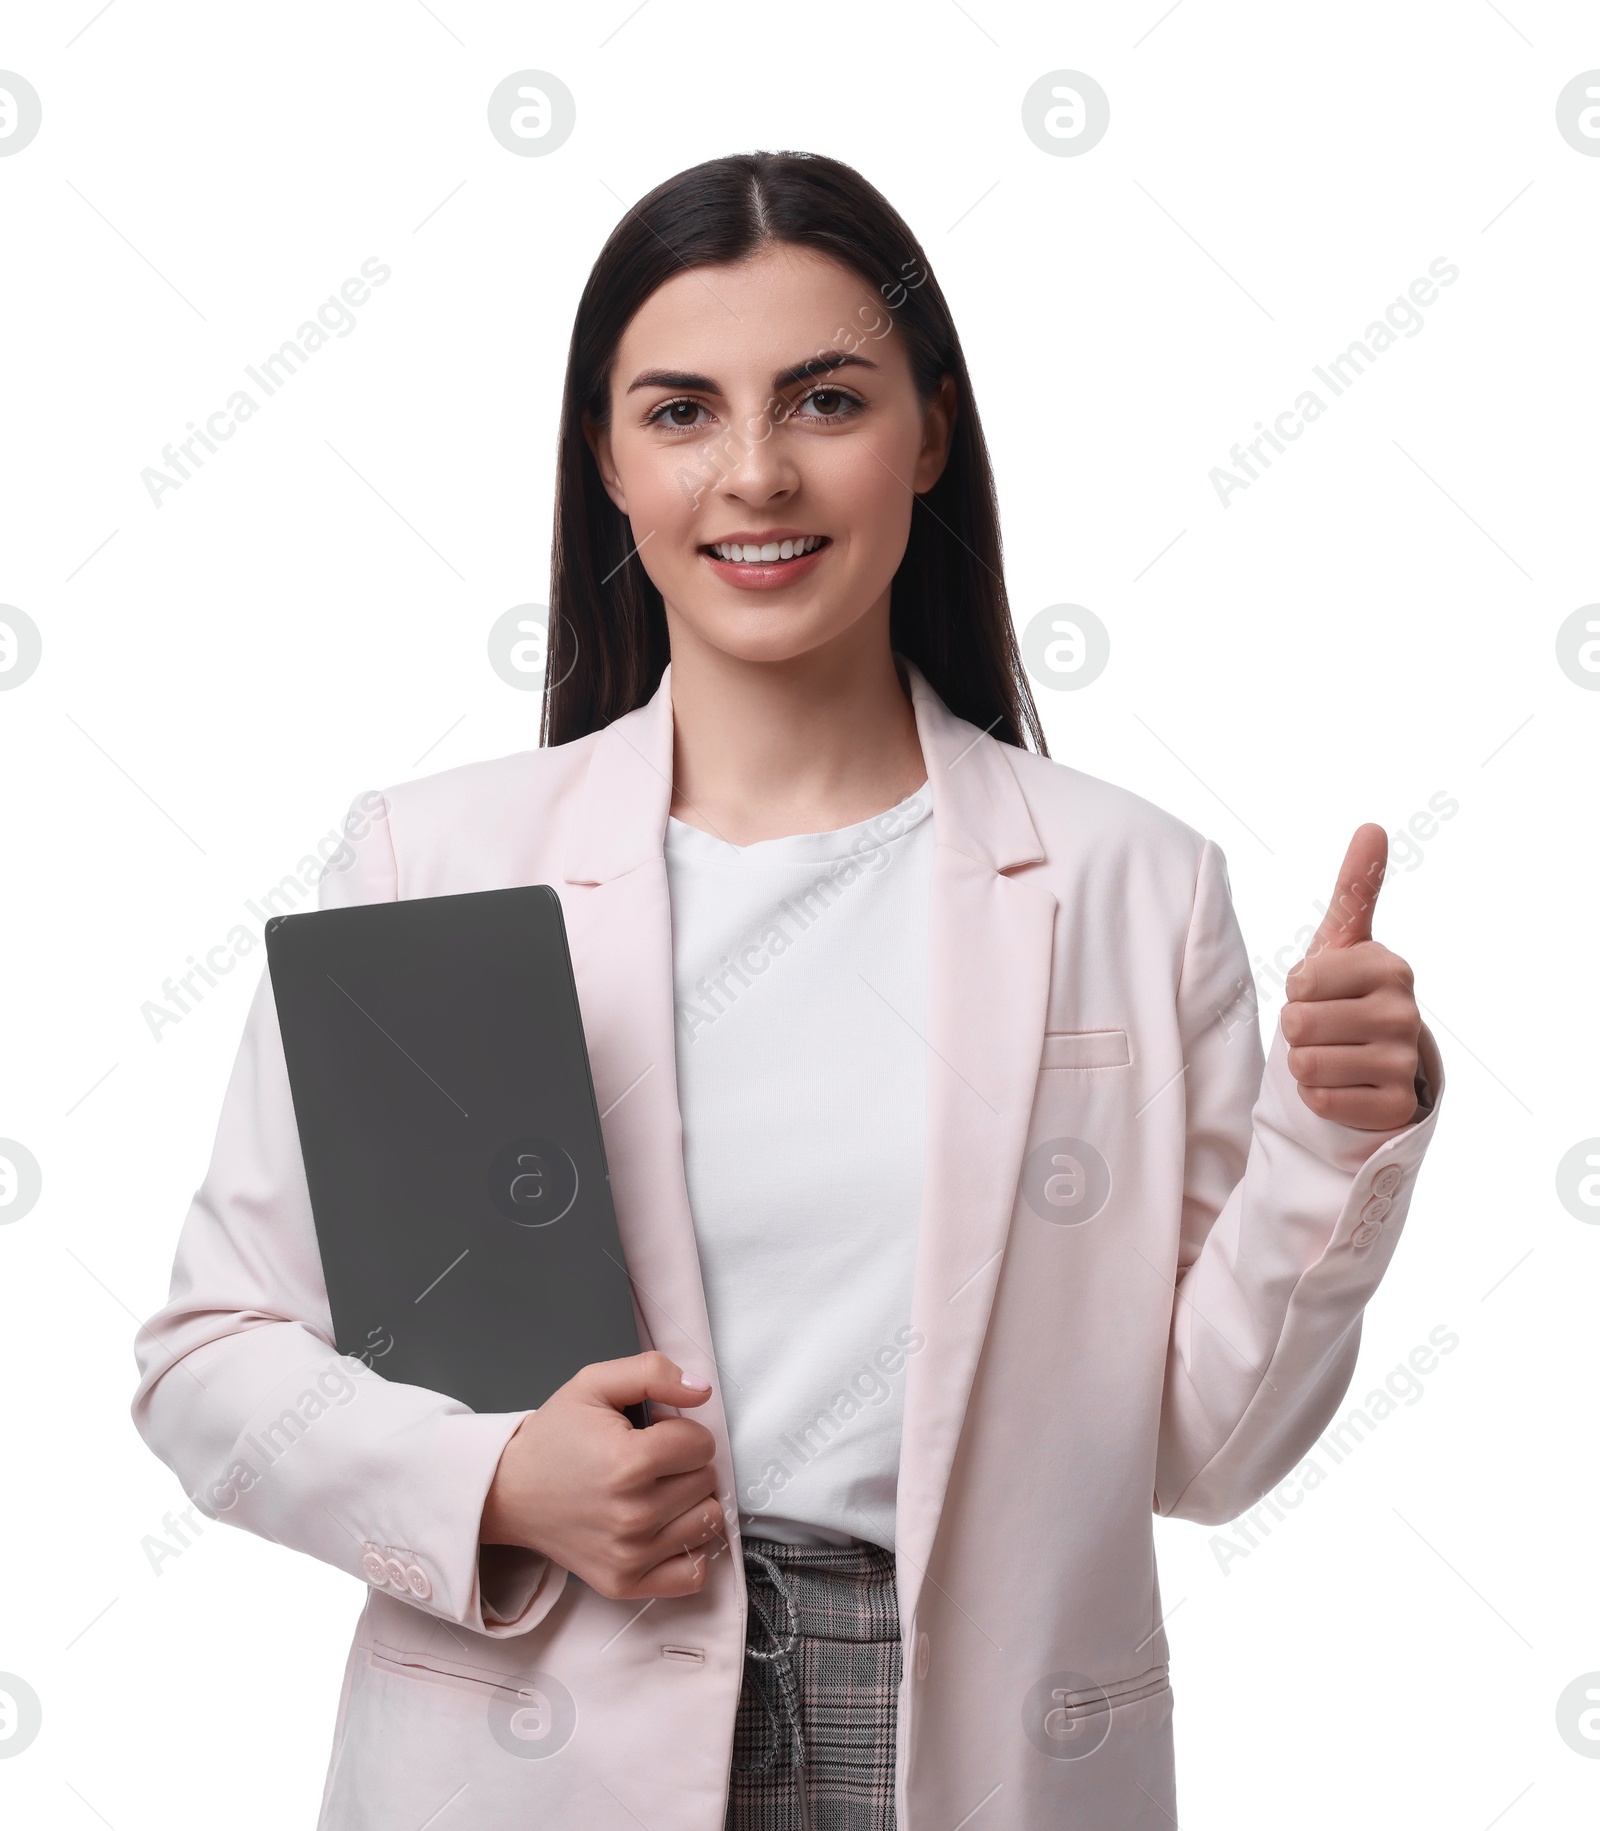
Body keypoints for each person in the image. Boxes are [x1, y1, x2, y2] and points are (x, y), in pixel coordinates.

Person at [132, 150, 1443, 1831]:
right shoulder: (435, 865)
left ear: (932, 435)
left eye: (826, 399)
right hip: (538, 1738)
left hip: (963, 1743)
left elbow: (1201, 1451)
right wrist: (498, 1482)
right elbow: (209, 1358)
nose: (755, 474)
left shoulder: (1134, 882)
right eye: (681, 413)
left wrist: (1332, 1146)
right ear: (605, 461)